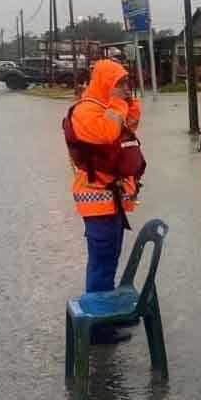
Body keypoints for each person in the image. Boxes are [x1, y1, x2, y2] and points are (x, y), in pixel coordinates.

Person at [63, 59, 145, 344]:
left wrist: (128, 103)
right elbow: (107, 133)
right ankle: (97, 327)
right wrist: (119, 104)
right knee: (101, 262)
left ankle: (104, 315)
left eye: (125, 83)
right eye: (118, 83)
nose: (123, 88)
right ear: (103, 84)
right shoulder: (86, 111)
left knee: (108, 260)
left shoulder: (106, 108)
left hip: (111, 200)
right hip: (97, 199)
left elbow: (130, 128)